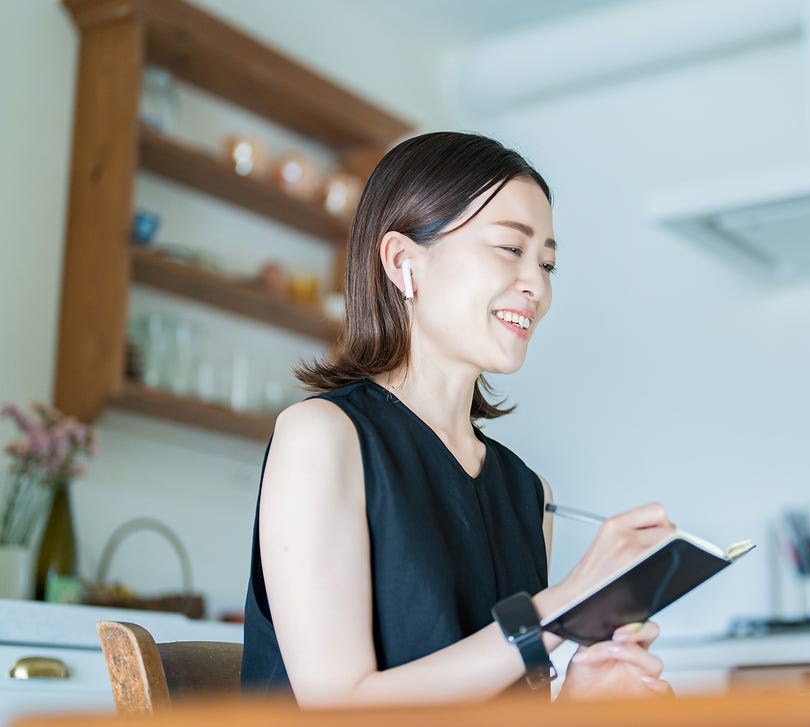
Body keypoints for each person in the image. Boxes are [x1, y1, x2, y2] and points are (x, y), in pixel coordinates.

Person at [241, 132, 676, 706]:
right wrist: (560, 607)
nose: (537, 286)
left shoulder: (526, 492)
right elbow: (339, 706)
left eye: (547, 262)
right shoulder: (322, 436)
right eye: (509, 249)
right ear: (403, 263)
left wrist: (579, 698)